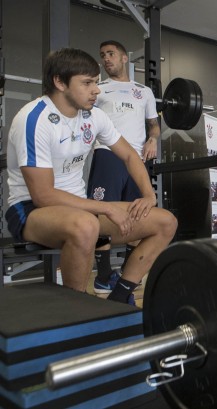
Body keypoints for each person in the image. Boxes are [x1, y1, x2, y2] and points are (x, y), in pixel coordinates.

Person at [4, 48, 177, 304]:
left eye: (96, 81)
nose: (96, 90)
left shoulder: (94, 116)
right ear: (60, 82)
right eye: (87, 83)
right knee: (86, 225)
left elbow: (130, 156)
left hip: (80, 208)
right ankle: (79, 311)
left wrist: (149, 195)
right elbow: (43, 195)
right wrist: (107, 208)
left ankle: (119, 298)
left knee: (165, 221)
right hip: (30, 210)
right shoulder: (34, 119)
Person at [87, 40, 161, 294]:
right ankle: (104, 274)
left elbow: (154, 125)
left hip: (137, 160)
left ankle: (126, 274)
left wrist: (153, 139)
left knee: (139, 214)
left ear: (124, 58)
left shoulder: (144, 91)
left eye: (110, 54)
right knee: (102, 214)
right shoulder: (98, 89)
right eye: (102, 55)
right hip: (108, 154)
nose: (106, 59)